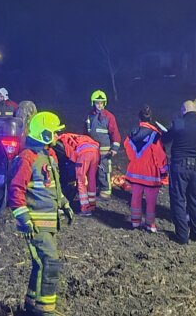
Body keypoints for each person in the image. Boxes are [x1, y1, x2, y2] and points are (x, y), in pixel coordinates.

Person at [8, 111, 75, 316]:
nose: (57, 136)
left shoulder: (48, 156)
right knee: (50, 261)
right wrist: (24, 219)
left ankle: (32, 304)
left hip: (47, 222)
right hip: (35, 223)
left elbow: (51, 187)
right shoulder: (27, 158)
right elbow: (15, 190)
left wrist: (64, 203)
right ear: (44, 134)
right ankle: (44, 310)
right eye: (54, 133)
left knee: (40, 264)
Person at [164, 100, 196, 244]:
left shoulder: (179, 123)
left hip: (180, 167)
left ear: (183, 110)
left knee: (178, 200)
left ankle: (182, 236)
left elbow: (165, 139)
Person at [123, 106, 167, 233]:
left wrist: (135, 160)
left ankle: (135, 222)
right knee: (151, 201)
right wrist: (163, 170)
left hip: (135, 173)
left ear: (139, 118)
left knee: (135, 198)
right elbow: (160, 155)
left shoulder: (132, 133)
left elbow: (128, 149)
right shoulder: (155, 135)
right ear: (151, 118)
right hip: (150, 175)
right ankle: (150, 224)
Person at [85, 90, 121, 199]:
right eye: (97, 102)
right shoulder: (89, 116)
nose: (99, 105)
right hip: (92, 150)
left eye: (101, 102)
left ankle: (105, 191)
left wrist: (114, 148)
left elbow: (115, 133)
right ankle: (95, 189)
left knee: (103, 171)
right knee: (92, 170)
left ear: (104, 103)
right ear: (93, 103)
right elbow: (85, 132)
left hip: (105, 151)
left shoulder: (109, 117)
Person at [54, 132, 101, 215]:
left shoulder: (62, 139)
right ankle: (92, 205)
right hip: (95, 151)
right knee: (91, 178)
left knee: (80, 180)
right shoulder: (73, 135)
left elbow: (69, 153)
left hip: (84, 154)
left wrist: (75, 164)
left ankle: (85, 208)